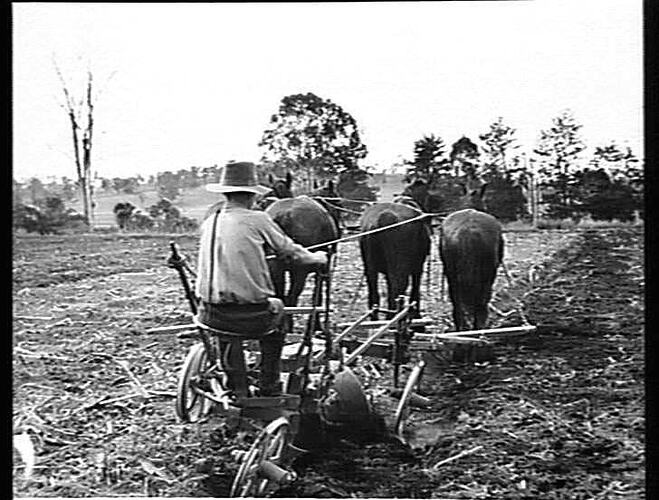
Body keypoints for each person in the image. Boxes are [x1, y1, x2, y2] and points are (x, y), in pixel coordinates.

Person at [196, 161, 328, 396]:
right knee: (278, 313)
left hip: (208, 313)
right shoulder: (258, 219)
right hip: (249, 316)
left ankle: (235, 383)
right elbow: (293, 253)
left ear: (226, 194)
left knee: (227, 334)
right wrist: (317, 257)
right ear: (251, 195)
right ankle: (269, 385)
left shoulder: (210, 221)